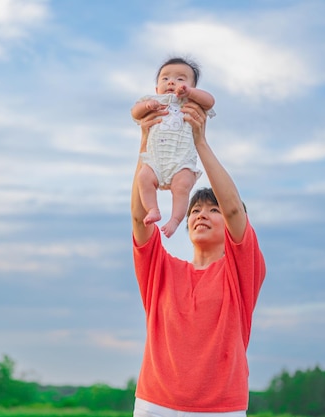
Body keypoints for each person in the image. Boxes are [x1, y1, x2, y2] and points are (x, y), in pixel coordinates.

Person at [130, 61, 266, 416]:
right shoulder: (160, 270)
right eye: (193, 211)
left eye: (212, 210)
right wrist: (146, 144)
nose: (201, 214)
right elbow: (137, 219)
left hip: (221, 408)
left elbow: (235, 210)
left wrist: (200, 141)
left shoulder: (240, 272)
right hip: (154, 404)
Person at [131, 57, 216, 238]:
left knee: (182, 185)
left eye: (180, 79)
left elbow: (210, 101)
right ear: (156, 89)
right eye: (165, 78)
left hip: (181, 159)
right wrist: (147, 106)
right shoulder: (154, 100)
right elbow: (135, 112)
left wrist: (190, 93)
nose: (171, 82)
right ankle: (153, 208)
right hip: (156, 158)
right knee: (144, 177)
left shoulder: (190, 103)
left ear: (192, 87)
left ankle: (176, 219)